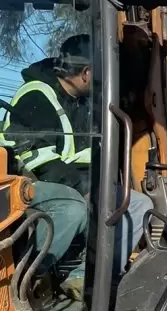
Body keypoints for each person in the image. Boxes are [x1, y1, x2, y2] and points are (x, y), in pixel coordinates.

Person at [0, 34, 152, 295]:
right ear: (86, 72)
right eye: (97, 75)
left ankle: (94, 279)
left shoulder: (81, 103)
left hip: (74, 183)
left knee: (138, 204)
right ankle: (32, 277)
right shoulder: (37, 94)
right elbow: (35, 155)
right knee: (73, 208)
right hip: (26, 184)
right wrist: (82, 188)